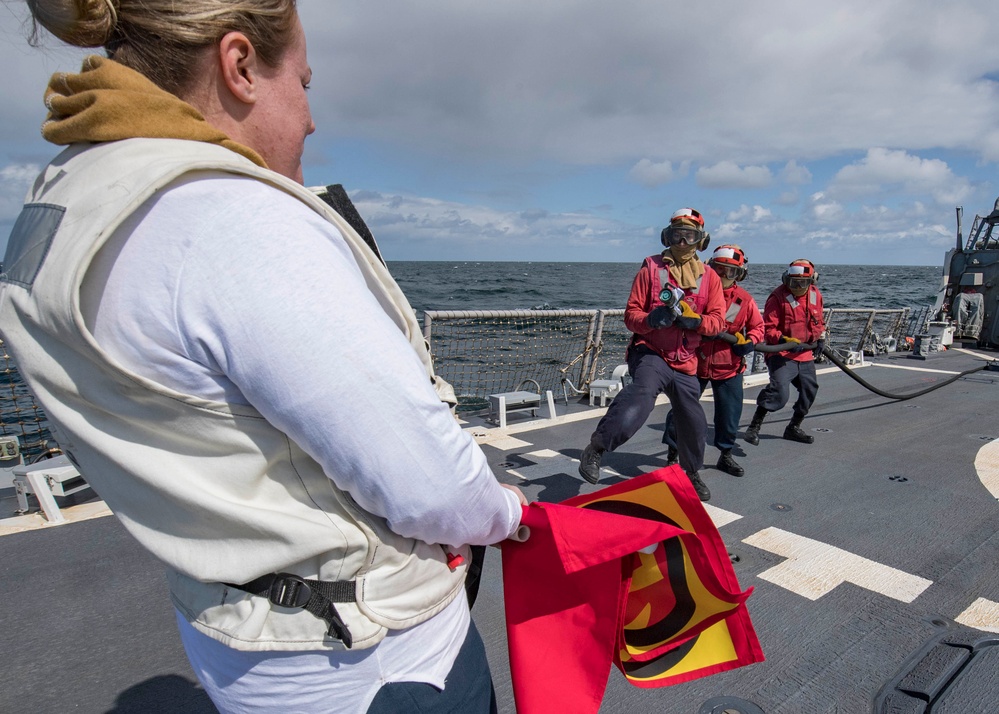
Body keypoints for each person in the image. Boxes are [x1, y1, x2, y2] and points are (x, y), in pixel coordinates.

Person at [1, 2, 525, 712]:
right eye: (303, 83)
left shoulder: (57, 204)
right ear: (240, 66)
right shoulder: (231, 220)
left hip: (228, 629)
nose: (310, 118)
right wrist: (507, 510)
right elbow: (429, 489)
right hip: (367, 658)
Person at [578, 208, 726, 501]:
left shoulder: (710, 278)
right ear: (666, 237)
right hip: (652, 352)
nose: (682, 242)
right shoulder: (650, 270)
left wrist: (697, 322)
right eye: (676, 235)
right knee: (641, 396)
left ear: (701, 241)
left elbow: (718, 321)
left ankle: (690, 471)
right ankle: (596, 449)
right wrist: (650, 320)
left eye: (690, 236)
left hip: (686, 360)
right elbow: (631, 314)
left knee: (693, 417)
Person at [663, 245, 763, 477]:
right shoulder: (696, 292)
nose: (725, 276)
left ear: (740, 274)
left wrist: (750, 341)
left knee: (729, 414)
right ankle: (672, 454)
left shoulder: (744, 300)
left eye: (731, 272)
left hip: (728, 366)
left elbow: (758, 327)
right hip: (694, 364)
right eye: (720, 270)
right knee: (681, 411)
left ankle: (725, 456)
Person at [744, 259, 826, 446]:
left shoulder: (815, 295)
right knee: (779, 393)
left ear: (811, 281)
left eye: (802, 283)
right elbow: (768, 329)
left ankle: (793, 427)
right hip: (781, 354)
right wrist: (784, 340)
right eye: (793, 282)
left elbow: (819, 320)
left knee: (809, 390)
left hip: (805, 354)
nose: (797, 287)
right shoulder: (778, 297)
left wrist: (821, 337)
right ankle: (754, 427)